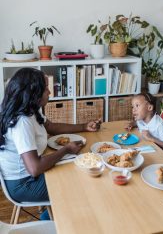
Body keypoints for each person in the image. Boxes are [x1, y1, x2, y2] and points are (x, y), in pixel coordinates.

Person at [0, 67, 101, 207]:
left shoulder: (31, 109)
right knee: (84, 179)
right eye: (46, 88)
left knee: (81, 167)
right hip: (25, 183)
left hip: (31, 175)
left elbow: (50, 127)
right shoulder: (22, 122)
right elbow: (34, 168)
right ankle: (56, 220)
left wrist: (84, 126)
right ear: (34, 93)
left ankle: (49, 217)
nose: (50, 92)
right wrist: (65, 150)